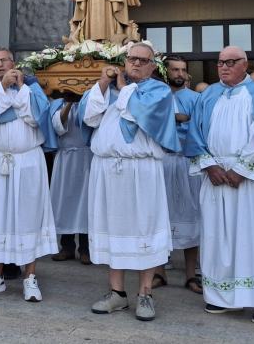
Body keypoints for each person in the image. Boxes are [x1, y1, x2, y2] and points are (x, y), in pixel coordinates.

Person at [185, 46, 254, 324]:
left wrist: (241, 170)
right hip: (216, 177)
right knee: (218, 237)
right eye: (220, 62)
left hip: (250, 182)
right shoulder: (208, 95)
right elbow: (195, 134)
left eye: (230, 62)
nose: (223, 67)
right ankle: (222, 297)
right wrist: (209, 165)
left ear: (244, 64)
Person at [84, 42, 178, 322]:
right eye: (131, 58)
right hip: (108, 169)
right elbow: (89, 118)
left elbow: (138, 114)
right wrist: (103, 84)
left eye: (142, 60)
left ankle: (145, 294)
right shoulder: (111, 89)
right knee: (114, 230)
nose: (135, 63)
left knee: (143, 230)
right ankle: (117, 293)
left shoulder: (158, 91)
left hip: (141, 170)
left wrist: (123, 87)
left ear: (152, 66)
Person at [0, 47, 57, 301]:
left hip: (28, 161)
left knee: (28, 216)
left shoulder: (33, 91)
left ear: (13, 63)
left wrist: (16, 91)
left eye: (3, 61)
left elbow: (36, 119)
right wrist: (1, 90)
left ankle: (30, 277)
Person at [158, 55, 202, 294]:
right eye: (175, 69)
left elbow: (202, 126)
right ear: (166, 73)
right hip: (162, 161)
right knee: (159, 216)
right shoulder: (157, 97)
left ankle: (190, 275)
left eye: (183, 70)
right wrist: (173, 117)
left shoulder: (196, 99)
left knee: (191, 215)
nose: (179, 74)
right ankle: (159, 272)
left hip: (187, 162)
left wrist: (186, 120)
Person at [48, 92, 93, 265]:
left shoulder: (91, 99)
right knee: (65, 202)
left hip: (86, 157)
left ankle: (85, 248)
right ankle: (66, 247)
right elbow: (58, 127)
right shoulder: (57, 103)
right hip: (66, 157)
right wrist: (69, 103)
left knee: (85, 204)